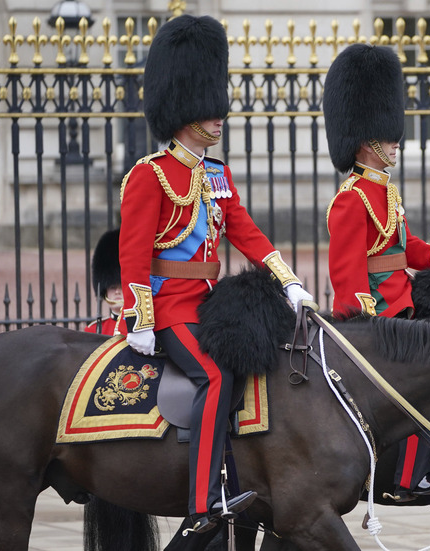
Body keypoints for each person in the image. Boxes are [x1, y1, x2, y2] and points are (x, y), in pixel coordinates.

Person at [119, 14, 314, 535]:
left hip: (209, 302)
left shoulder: (215, 174)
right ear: (185, 113)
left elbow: (245, 231)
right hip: (167, 306)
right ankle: (206, 500)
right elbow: (133, 252)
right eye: (211, 112)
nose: (219, 118)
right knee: (215, 374)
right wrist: (140, 316)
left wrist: (286, 279)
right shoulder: (150, 173)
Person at [322, 43, 430, 501]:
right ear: (368, 142)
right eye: (390, 139)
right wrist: (369, 324)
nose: (396, 144)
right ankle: (407, 480)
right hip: (377, 320)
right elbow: (345, 274)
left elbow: (405, 249)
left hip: (401, 307)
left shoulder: (386, 192)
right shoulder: (351, 198)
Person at [85, 228, 126, 336]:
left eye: (121, 286)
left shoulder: (140, 330)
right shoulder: (93, 330)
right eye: (112, 287)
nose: (117, 291)